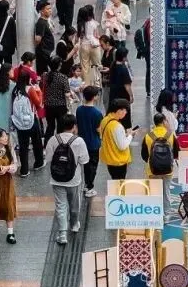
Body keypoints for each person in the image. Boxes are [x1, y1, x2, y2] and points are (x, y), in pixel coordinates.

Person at [45, 113, 90, 244]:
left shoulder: (53, 140)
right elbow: (84, 160)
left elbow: (48, 159)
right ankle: (74, 225)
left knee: (61, 206)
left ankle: (62, 234)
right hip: (74, 179)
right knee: (74, 204)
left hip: (56, 178)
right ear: (74, 126)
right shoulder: (79, 141)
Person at [142, 112, 178, 215]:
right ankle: (166, 212)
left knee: (154, 191)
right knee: (166, 191)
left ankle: (155, 213)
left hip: (153, 169)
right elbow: (176, 153)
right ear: (163, 122)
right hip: (168, 169)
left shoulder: (148, 136)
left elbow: (144, 155)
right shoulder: (170, 135)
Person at [77, 86, 104, 198]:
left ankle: (86, 184)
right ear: (94, 97)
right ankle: (89, 187)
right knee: (92, 166)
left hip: (82, 142)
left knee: (85, 165)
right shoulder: (97, 113)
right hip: (93, 143)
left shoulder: (79, 110)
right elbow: (98, 129)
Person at [99, 99, 133, 181]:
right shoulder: (117, 126)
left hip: (109, 158)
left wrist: (123, 135)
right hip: (118, 160)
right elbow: (122, 146)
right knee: (119, 184)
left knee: (114, 181)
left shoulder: (105, 120)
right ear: (118, 110)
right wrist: (130, 135)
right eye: (124, 110)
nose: (126, 112)